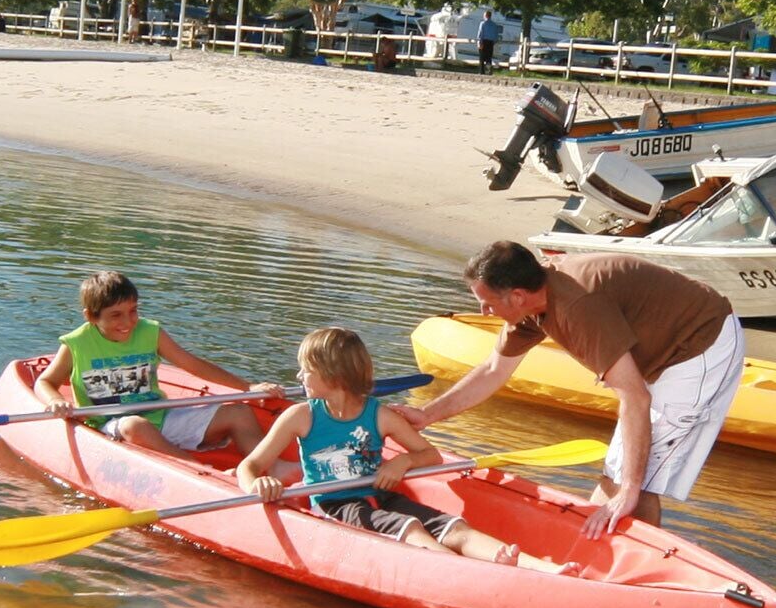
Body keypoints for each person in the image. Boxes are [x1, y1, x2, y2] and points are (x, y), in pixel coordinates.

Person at [404, 241, 742, 539]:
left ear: (517, 296)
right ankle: (591, 549)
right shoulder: (529, 307)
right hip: (660, 348)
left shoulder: (578, 307)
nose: (484, 311)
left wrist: (629, 489)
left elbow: (635, 397)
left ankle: (633, 568)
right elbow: (493, 371)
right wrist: (425, 415)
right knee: (616, 477)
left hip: (700, 345)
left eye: (488, 303)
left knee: (636, 484)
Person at [236, 327, 555, 569]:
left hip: (381, 496)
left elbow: (430, 455)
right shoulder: (301, 416)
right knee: (411, 529)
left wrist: (401, 462)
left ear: (332, 375)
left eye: (305, 369)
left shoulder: (380, 415)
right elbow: (249, 466)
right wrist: (256, 486)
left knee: (455, 527)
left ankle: (541, 568)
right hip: (335, 505)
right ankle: (474, 575)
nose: (298, 376)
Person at [30, 269, 276, 461]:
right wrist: (55, 400)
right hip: (111, 424)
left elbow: (192, 364)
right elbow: (45, 382)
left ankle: (264, 468)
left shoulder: (150, 332)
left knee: (240, 413)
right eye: (116, 315)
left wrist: (248, 387)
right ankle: (200, 471)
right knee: (137, 425)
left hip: (159, 415)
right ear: (91, 316)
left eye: (133, 310)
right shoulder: (76, 344)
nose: (128, 322)